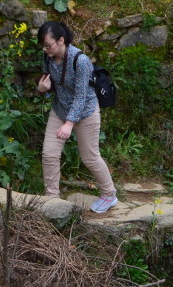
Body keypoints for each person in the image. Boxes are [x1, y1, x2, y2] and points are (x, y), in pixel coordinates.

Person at [36, 21, 118, 213]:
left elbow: (81, 95)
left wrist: (69, 123)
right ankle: (51, 199)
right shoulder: (47, 57)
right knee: (49, 154)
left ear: (61, 40)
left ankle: (109, 194)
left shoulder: (80, 60)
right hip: (60, 109)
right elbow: (49, 85)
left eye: (48, 45)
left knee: (89, 157)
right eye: (43, 45)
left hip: (86, 112)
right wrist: (41, 90)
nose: (45, 49)